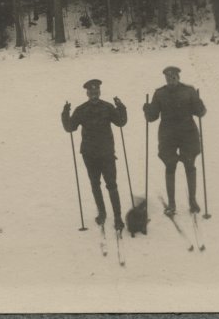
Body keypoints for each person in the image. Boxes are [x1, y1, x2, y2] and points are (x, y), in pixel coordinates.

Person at [62, 79, 128, 231]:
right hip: (89, 154)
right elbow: (70, 127)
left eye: (96, 92)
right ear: (87, 93)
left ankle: (117, 217)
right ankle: (102, 213)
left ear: (99, 92)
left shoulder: (108, 107)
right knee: (95, 184)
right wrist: (65, 113)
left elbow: (121, 122)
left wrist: (121, 107)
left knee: (112, 184)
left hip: (107, 153)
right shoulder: (81, 110)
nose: (94, 95)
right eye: (91, 93)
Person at [143, 66, 206, 215]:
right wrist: (147, 110)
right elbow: (152, 117)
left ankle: (192, 201)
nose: (171, 80)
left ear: (178, 77)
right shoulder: (160, 93)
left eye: (173, 77)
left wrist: (199, 105)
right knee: (170, 165)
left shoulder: (189, 91)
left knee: (190, 164)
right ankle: (171, 203)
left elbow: (200, 112)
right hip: (168, 134)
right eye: (168, 78)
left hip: (188, 133)